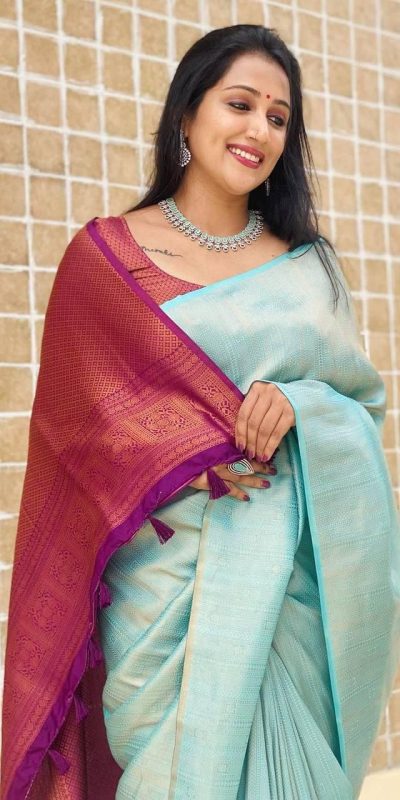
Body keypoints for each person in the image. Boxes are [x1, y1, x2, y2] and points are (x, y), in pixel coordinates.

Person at [2, 24, 400, 800]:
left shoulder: (308, 268)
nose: (259, 130)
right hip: (163, 599)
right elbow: (75, 439)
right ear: (187, 114)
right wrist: (184, 457)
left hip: (286, 601)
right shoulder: (108, 260)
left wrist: (301, 406)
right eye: (240, 104)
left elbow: (361, 410)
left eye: (278, 117)